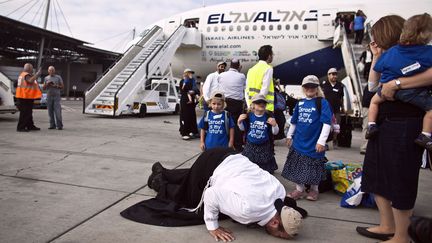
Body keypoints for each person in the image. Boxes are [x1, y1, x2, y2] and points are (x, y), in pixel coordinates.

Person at [357, 15, 432, 243]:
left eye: (376, 37)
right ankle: (387, 225)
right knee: (376, 175)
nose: (374, 41)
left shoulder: (419, 55)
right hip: (383, 124)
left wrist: (396, 84)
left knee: (400, 178)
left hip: (405, 123)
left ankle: (402, 236)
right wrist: (376, 58)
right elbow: (371, 88)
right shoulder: (388, 57)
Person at [131, 148, 306, 242]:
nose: (281, 238)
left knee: (191, 180)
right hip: (211, 164)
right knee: (190, 200)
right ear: (275, 222)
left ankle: (163, 172)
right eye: (282, 236)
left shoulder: (279, 192)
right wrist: (212, 226)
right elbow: (211, 194)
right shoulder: (248, 211)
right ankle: (158, 181)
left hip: (230, 155)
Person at [365, 13, 432, 152]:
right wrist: (376, 55)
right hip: (387, 124)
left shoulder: (396, 54)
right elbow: (372, 86)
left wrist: (395, 84)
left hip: (400, 124)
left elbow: (373, 88)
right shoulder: (395, 54)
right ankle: (425, 134)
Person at [282, 75, 333, 201]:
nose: (310, 88)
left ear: (317, 88)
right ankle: (299, 189)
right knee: (297, 166)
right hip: (298, 143)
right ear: (303, 88)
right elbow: (294, 121)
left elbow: (327, 123)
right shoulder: (300, 103)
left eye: (313, 86)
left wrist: (321, 141)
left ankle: (314, 190)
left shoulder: (322, 102)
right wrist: (289, 135)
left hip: (314, 143)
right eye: (307, 86)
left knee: (313, 168)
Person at [238, 94, 279, 174]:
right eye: (258, 102)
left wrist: (275, 125)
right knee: (250, 169)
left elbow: (275, 132)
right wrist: (239, 122)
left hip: (264, 146)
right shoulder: (248, 116)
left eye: (263, 102)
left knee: (264, 171)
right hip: (250, 145)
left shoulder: (268, 116)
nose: (261, 104)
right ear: (252, 105)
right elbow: (243, 129)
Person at [219, 58, 246, 151]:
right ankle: (237, 146)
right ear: (239, 66)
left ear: (230, 65)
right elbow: (243, 85)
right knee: (236, 125)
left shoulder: (222, 75)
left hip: (225, 102)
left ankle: (224, 143)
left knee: (224, 123)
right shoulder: (241, 76)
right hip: (236, 103)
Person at [246, 45, 275, 112]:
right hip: (265, 108)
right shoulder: (268, 68)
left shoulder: (251, 70)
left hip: (252, 107)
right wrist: (260, 106)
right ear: (269, 56)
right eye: (272, 54)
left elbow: (246, 90)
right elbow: (264, 89)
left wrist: (249, 106)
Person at [321, 67, 344, 147]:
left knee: (336, 127)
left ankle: (334, 139)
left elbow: (342, 97)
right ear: (328, 75)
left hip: (336, 109)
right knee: (326, 126)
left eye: (335, 74)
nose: (334, 76)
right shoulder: (324, 85)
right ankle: (325, 142)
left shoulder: (340, 85)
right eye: (333, 74)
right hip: (327, 110)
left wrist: (343, 108)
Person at [16, 63, 42, 132]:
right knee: (25, 113)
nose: (32, 69)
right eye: (32, 68)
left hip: (25, 96)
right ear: (29, 69)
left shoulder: (23, 74)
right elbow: (30, 81)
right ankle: (21, 127)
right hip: (25, 97)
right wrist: (37, 74)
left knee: (28, 112)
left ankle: (30, 125)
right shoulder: (26, 75)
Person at [179, 69, 199, 140]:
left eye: (191, 73)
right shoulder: (182, 81)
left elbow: (196, 90)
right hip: (185, 100)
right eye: (189, 73)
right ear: (186, 73)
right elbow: (183, 89)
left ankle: (192, 131)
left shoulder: (193, 81)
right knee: (185, 116)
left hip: (192, 101)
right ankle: (184, 132)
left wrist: (194, 92)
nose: (191, 74)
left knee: (192, 116)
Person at [43, 66, 64, 130]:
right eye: (50, 70)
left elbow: (62, 86)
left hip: (56, 97)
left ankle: (59, 125)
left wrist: (56, 86)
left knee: (58, 112)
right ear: (48, 71)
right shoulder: (46, 78)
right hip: (49, 97)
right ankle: (52, 125)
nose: (51, 71)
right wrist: (47, 84)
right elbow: (43, 88)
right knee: (50, 112)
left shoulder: (58, 77)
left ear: (54, 71)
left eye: (52, 70)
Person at [360, 85, 375, 154]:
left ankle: (365, 147)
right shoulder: (372, 86)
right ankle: (364, 148)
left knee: (367, 127)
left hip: (367, 107)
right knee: (367, 127)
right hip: (368, 108)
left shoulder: (369, 85)